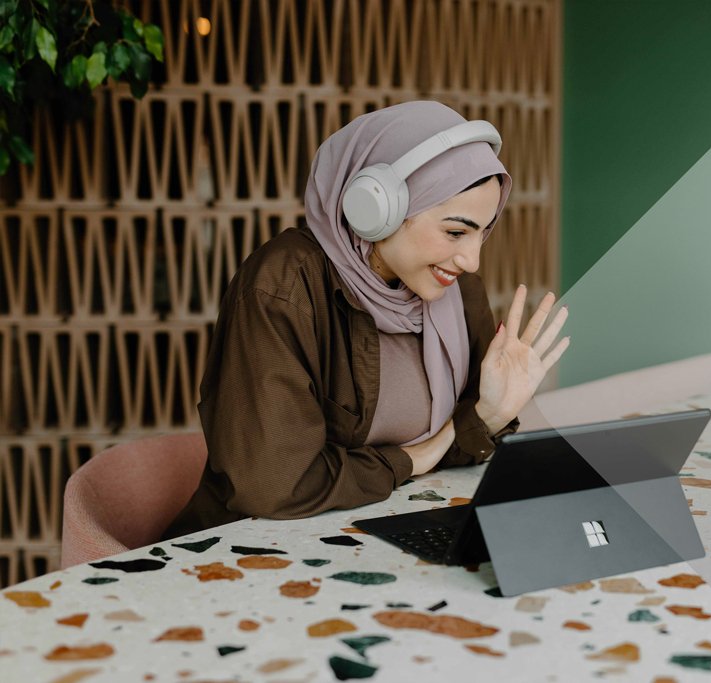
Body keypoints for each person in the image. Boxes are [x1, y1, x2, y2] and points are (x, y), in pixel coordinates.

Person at [163, 101, 569, 538]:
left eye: (482, 232)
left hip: (384, 531)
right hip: (248, 546)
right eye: (455, 232)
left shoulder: (457, 290)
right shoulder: (283, 285)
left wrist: (488, 415)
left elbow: (456, 456)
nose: (471, 260)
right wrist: (412, 458)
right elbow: (274, 485)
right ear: (377, 208)